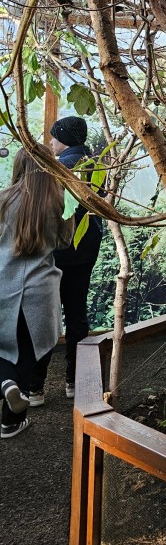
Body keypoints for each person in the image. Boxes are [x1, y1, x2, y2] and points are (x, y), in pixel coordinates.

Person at [0, 147, 74, 438]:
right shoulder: (60, 202)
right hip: (40, 292)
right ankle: (10, 422)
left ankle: (5, 385)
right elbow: (65, 243)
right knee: (27, 355)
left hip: (4, 283)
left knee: (4, 350)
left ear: (18, 167)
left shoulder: (3, 199)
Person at [29, 116, 103, 404]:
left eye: (53, 137)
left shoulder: (58, 168)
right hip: (85, 249)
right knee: (77, 314)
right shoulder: (98, 165)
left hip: (57, 252)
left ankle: (35, 387)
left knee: (46, 317)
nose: (50, 143)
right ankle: (75, 382)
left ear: (64, 138)